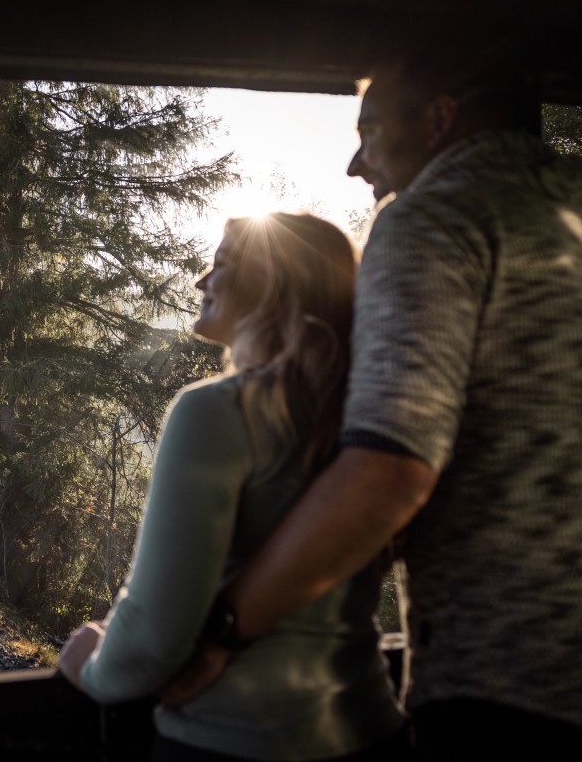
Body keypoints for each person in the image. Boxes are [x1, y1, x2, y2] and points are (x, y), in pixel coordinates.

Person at [161, 42, 582, 759]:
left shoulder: (430, 217)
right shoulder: (567, 197)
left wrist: (222, 629)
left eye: (370, 132)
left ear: (439, 119)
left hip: (506, 680)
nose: (357, 164)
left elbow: (390, 469)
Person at [58, 213, 409, 761]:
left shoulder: (216, 412)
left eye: (219, 265)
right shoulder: (362, 421)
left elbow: (154, 634)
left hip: (230, 742)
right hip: (373, 732)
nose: (200, 281)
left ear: (271, 281)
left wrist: (93, 666)